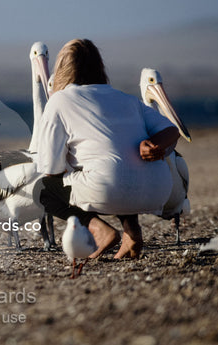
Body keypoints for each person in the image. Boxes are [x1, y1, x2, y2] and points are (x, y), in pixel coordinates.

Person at [36, 39, 180, 259]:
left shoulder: (59, 101)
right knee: (118, 161)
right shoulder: (126, 99)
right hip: (158, 189)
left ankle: (100, 231)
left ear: (63, 68)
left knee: (44, 190)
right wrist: (156, 145)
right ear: (99, 66)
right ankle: (132, 233)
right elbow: (171, 129)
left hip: (109, 188)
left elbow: (51, 170)